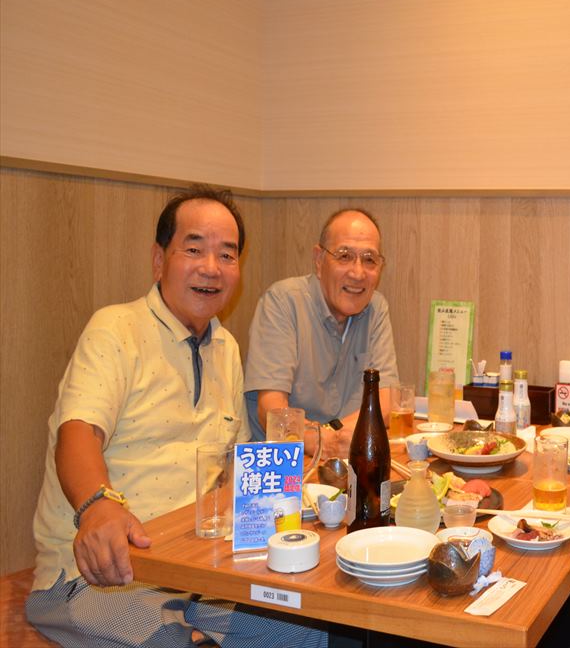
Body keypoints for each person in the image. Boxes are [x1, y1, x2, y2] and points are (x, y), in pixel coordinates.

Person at [27, 185, 327, 647]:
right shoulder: (115, 329)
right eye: (194, 249)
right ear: (158, 260)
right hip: (100, 573)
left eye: (227, 255)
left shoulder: (225, 347)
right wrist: (97, 506)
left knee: (303, 633)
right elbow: (79, 432)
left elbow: (234, 463)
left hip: (194, 570)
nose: (211, 267)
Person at [245, 208, 399, 457]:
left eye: (369, 259)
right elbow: (271, 412)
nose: (358, 272)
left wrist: (332, 436)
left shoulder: (376, 307)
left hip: (343, 455)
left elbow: (385, 403)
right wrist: (325, 440)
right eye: (344, 256)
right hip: (284, 461)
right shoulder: (283, 301)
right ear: (318, 260)